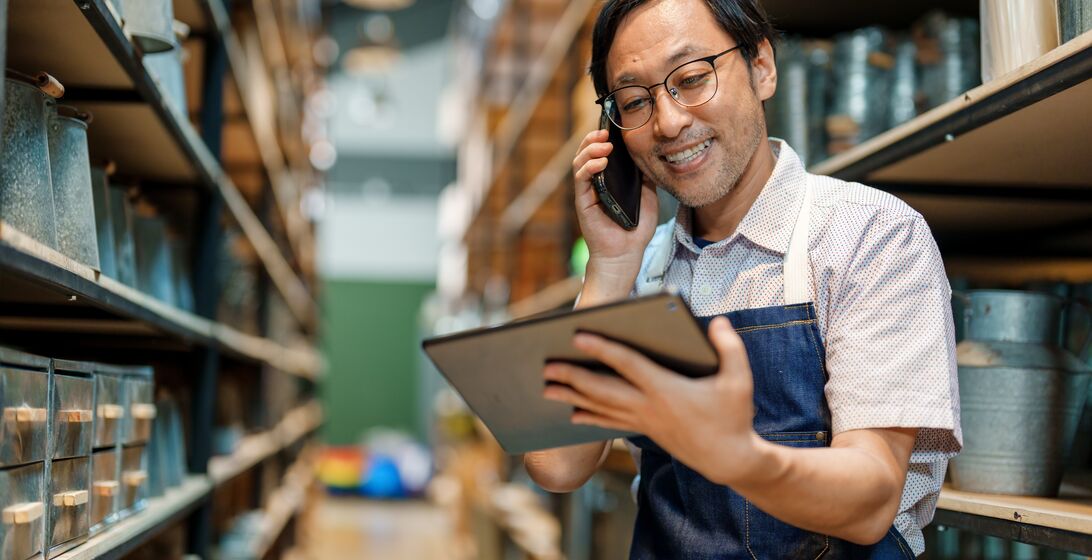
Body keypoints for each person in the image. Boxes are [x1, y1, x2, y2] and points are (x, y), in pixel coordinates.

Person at [523, 0, 962, 558]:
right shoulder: (645, 271)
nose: (669, 122)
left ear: (762, 67)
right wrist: (609, 268)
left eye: (691, 78)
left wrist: (741, 459)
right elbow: (556, 466)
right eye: (635, 101)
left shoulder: (868, 235)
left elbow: (871, 501)